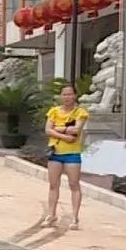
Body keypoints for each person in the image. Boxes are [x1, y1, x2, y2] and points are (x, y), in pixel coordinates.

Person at [44, 84, 89, 229]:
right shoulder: (54, 111)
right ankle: (51, 214)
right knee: (53, 185)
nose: (67, 97)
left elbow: (76, 130)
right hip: (55, 152)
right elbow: (48, 130)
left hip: (72, 153)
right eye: (64, 94)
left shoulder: (80, 112)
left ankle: (75, 217)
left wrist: (58, 128)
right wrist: (64, 134)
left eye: (70, 94)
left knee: (74, 184)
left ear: (75, 96)